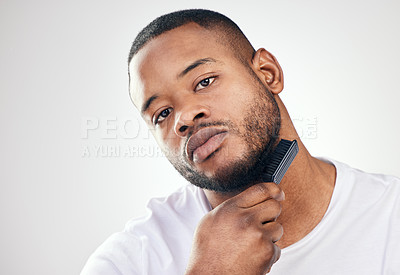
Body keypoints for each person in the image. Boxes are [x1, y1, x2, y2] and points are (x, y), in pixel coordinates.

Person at [81, 9, 400, 275]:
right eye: (162, 113)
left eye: (204, 81)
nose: (184, 119)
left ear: (268, 72)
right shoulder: (126, 262)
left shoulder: (391, 216)